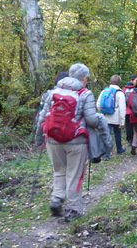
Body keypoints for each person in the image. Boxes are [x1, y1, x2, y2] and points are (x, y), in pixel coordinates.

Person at [35, 63, 98, 222]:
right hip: (76, 141)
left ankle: (57, 199)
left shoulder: (53, 92)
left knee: (59, 170)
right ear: (84, 78)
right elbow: (91, 120)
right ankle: (73, 209)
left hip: (53, 140)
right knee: (74, 175)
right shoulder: (85, 94)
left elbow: (42, 117)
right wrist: (98, 123)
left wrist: (39, 138)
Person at [96, 74, 126, 159]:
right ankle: (119, 149)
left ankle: (106, 154)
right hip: (116, 117)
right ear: (119, 83)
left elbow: (98, 104)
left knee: (107, 135)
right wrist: (122, 121)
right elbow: (122, 108)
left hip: (106, 117)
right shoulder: (120, 93)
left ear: (111, 81)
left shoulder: (104, 91)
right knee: (117, 133)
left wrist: (103, 111)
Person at [123, 74, 137, 147]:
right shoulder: (136, 88)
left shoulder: (124, 89)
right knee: (136, 126)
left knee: (128, 126)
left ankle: (130, 140)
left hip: (126, 110)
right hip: (135, 110)